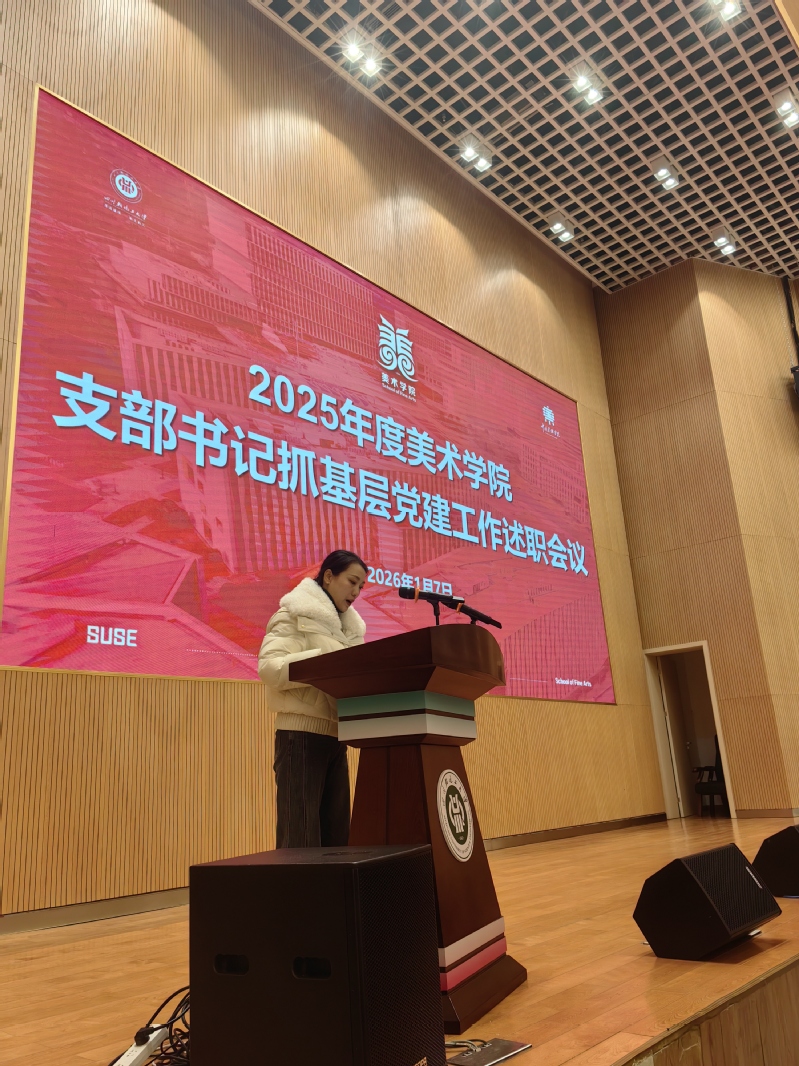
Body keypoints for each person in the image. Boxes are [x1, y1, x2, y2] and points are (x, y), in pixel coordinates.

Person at [258, 550, 368, 848]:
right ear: (329, 576)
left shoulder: (349, 630)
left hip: (336, 738)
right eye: (352, 582)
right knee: (300, 839)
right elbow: (269, 668)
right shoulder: (294, 614)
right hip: (300, 738)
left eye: (361, 586)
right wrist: (323, 663)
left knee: (336, 842)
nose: (356, 592)